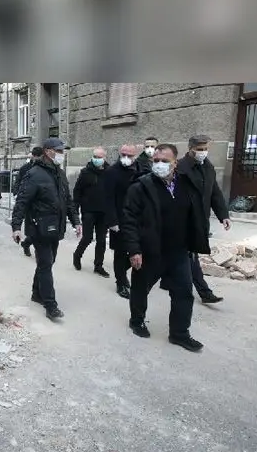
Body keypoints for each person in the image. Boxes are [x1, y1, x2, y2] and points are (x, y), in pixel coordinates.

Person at [121, 143, 207, 352]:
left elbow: (195, 213)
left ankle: (179, 333)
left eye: (165, 161)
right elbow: (129, 219)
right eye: (156, 160)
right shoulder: (140, 187)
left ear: (175, 163)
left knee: (184, 293)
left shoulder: (186, 184)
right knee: (141, 289)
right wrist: (134, 250)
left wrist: (196, 240)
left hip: (179, 251)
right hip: (150, 251)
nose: (159, 164)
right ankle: (137, 320)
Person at [10, 138, 81, 320]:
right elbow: (22, 201)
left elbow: (68, 201)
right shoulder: (34, 174)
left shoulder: (60, 173)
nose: (62, 154)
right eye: (59, 151)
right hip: (39, 227)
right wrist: (16, 226)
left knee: (47, 263)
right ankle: (51, 305)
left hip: (55, 228)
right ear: (48, 151)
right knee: (46, 264)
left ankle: (36, 293)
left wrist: (76, 221)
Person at [176, 134, 231, 304]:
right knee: (188, 256)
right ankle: (204, 292)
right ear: (190, 149)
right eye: (199, 149)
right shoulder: (179, 168)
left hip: (199, 220)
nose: (203, 152)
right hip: (181, 221)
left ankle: (169, 281)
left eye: (206, 149)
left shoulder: (208, 167)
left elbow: (215, 193)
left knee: (188, 256)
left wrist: (223, 216)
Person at [103, 144, 140, 299]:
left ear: (135, 156)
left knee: (137, 249)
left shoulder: (139, 169)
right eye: (123, 154)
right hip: (119, 218)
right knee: (120, 252)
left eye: (129, 155)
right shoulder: (112, 171)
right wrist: (112, 221)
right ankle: (121, 282)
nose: (126, 158)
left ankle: (122, 274)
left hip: (136, 218)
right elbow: (108, 198)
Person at [71, 147, 111, 275]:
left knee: (101, 240)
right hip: (88, 211)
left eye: (99, 157)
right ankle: (77, 255)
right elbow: (77, 191)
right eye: (95, 156)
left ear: (105, 158)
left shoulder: (109, 172)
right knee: (87, 238)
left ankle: (98, 266)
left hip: (103, 212)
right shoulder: (86, 172)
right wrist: (75, 208)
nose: (96, 159)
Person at [17, 147, 43, 256]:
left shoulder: (45, 168)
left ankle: (27, 244)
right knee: (32, 230)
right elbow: (19, 181)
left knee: (41, 229)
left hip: (41, 203)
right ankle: (28, 245)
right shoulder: (26, 168)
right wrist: (18, 194)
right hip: (29, 203)